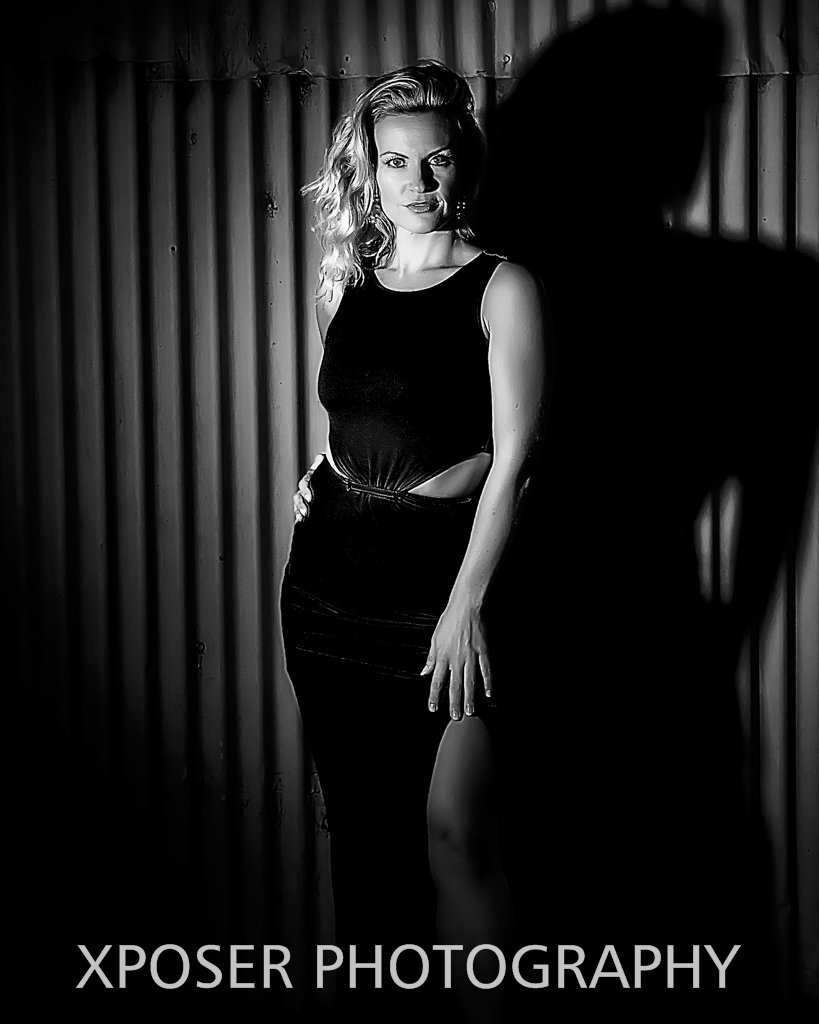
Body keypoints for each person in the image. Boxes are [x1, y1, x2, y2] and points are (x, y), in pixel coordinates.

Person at [279, 60, 548, 1022]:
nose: (418, 181)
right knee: (364, 843)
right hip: (326, 591)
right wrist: (323, 472)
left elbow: (514, 464)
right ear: (370, 170)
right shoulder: (345, 284)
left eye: (435, 159)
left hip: (443, 590)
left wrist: (466, 605)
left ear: (463, 162)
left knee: (456, 840)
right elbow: (358, 412)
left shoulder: (501, 285)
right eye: (395, 162)